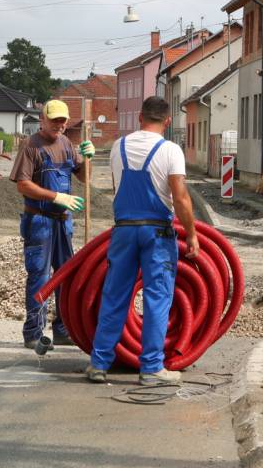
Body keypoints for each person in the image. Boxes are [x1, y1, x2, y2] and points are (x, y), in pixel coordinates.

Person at [85, 96, 200, 386]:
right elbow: (181, 197)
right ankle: (150, 368)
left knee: (115, 295)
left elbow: (116, 187)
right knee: (158, 297)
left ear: (139, 117)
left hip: (123, 230)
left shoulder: (118, 147)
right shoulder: (170, 150)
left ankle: (99, 364)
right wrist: (193, 235)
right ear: (168, 121)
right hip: (157, 233)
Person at [10, 100, 94, 353]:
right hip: (40, 221)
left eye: (62, 120)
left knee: (66, 277)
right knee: (40, 277)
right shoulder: (31, 145)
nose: (59, 124)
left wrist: (88, 158)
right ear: (42, 120)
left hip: (63, 222)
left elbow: (83, 176)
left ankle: (62, 331)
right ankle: (33, 333)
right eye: (54, 120)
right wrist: (55, 197)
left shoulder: (68, 144)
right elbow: (22, 184)